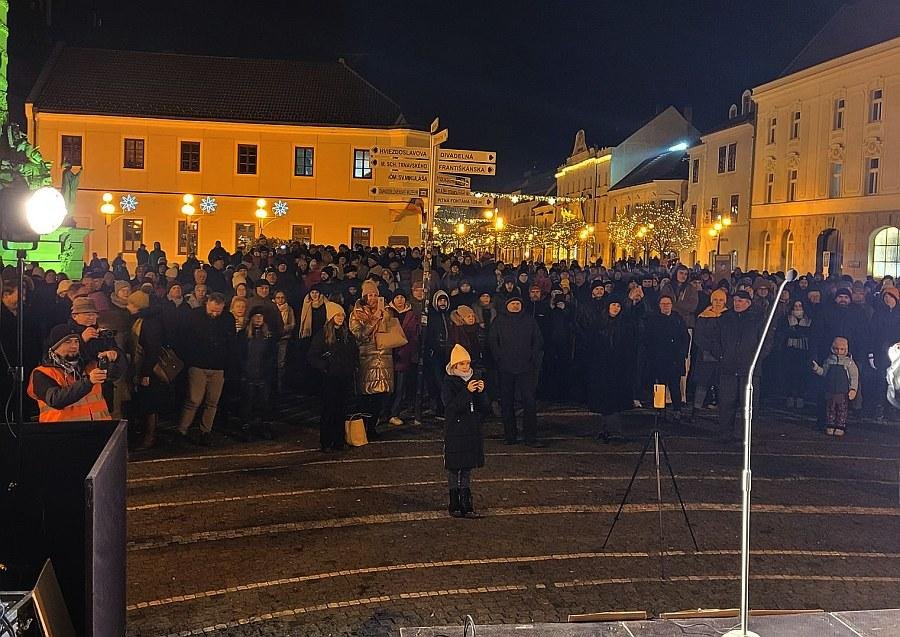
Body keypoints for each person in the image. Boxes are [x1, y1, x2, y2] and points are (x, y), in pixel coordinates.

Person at [27, 324, 124, 422]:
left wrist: (115, 358)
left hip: (97, 430)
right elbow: (55, 400)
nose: (74, 346)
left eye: (77, 341)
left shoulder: (89, 366)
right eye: (67, 342)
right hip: (62, 433)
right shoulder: (41, 373)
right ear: (55, 347)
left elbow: (114, 374)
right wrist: (88, 382)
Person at [176, 293, 236, 446]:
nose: (215, 314)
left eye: (218, 311)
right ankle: (182, 430)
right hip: (198, 365)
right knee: (194, 399)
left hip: (218, 366)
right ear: (207, 303)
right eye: (212, 310)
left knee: (212, 401)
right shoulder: (194, 316)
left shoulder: (228, 318)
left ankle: (205, 431)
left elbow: (231, 342)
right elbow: (184, 338)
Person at [488, 295, 544, 446]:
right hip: (505, 368)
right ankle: (510, 436)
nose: (515, 306)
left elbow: (537, 341)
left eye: (517, 303)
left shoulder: (529, 320)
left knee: (529, 403)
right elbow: (493, 341)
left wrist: (532, 359)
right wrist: (500, 358)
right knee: (507, 403)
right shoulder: (498, 321)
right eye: (512, 303)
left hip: (526, 368)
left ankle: (530, 437)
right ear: (506, 305)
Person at [442, 344, 488, 518]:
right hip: (455, 430)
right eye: (462, 364)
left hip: (471, 429)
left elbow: (484, 408)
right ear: (454, 366)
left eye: (467, 363)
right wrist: (466, 392)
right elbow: (451, 406)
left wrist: (482, 393)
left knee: (467, 468)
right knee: (454, 468)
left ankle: (466, 502)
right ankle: (454, 502)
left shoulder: (473, 380)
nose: (466, 367)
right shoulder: (448, 383)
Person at [717, 290, 767, 442]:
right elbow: (716, 339)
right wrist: (721, 355)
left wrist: (756, 357)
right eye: (735, 300)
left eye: (740, 301)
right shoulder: (725, 318)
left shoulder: (758, 319)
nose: (737, 303)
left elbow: (766, 341)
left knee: (749, 405)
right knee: (726, 403)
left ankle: (749, 435)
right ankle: (725, 434)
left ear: (748, 303)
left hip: (749, 369)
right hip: (728, 367)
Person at [349, 280, 397, 438]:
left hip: (384, 358)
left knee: (380, 396)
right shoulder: (357, 313)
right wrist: (374, 319)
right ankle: (362, 428)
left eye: (375, 295)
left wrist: (385, 317)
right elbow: (359, 334)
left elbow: (393, 331)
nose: (373, 298)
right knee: (366, 396)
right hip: (367, 358)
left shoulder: (387, 311)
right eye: (370, 295)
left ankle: (372, 427)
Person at [308, 302, 358, 452]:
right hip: (330, 378)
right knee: (329, 410)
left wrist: (352, 366)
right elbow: (312, 356)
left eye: (342, 315)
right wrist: (325, 366)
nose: (341, 318)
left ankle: (338, 440)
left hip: (344, 376)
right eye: (337, 315)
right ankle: (326, 441)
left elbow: (353, 352)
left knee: (341, 409)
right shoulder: (322, 335)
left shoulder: (347, 334)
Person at [126, 291, 165, 450]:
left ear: (137, 305)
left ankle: (149, 437)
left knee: (149, 404)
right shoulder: (142, 320)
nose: (127, 307)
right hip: (142, 368)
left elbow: (152, 349)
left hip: (148, 370)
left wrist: (146, 373)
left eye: (130, 304)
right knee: (144, 403)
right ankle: (146, 435)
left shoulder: (148, 323)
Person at [644, 295, 690, 420]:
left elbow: (685, 337)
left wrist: (682, 353)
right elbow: (648, 340)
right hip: (659, 359)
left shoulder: (677, 319)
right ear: (659, 305)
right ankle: (659, 409)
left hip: (674, 359)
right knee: (660, 386)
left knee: (675, 385)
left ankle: (677, 409)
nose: (665, 306)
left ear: (671, 305)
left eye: (667, 304)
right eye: (663, 304)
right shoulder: (653, 320)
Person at [237, 308, 277, 440]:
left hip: (263, 375)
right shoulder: (243, 335)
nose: (258, 319)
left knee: (264, 404)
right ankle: (246, 428)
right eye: (256, 316)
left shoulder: (269, 336)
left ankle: (263, 427)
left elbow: (272, 357)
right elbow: (240, 355)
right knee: (247, 404)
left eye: (261, 316)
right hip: (248, 374)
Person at [691, 288, 728, 416]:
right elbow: (698, 336)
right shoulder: (703, 316)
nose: (718, 303)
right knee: (702, 384)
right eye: (715, 300)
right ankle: (696, 410)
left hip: (722, 355)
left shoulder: (728, 316)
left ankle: (723, 413)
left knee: (721, 385)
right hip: (705, 355)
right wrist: (710, 348)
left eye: (721, 300)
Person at [812, 336, 859, 437]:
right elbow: (824, 372)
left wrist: (853, 389)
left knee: (842, 410)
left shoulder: (849, 362)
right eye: (837, 349)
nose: (839, 351)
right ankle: (830, 425)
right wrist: (816, 368)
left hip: (842, 392)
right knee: (830, 409)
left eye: (842, 349)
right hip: (830, 391)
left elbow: (854, 377)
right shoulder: (829, 360)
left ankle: (840, 426)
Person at [387, 290, 420, 426]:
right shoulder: (387, 312)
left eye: (402, 297)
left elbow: (415, 334)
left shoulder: (411, 314)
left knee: (400, 386)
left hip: (404, 353)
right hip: (388, 353)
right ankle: (384, 412)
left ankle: (394, 413)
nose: (399, 300)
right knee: (388, 386)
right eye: (397, 297)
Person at [273, 290, 296, 394]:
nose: (280, 300)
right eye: (278, 297)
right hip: (272, 338)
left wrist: (282, 329)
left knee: (281, 362)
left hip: (284, 338)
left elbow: (292, 324)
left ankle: (279, 385)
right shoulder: (272, 308)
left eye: (282, 297)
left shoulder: (289, 309)